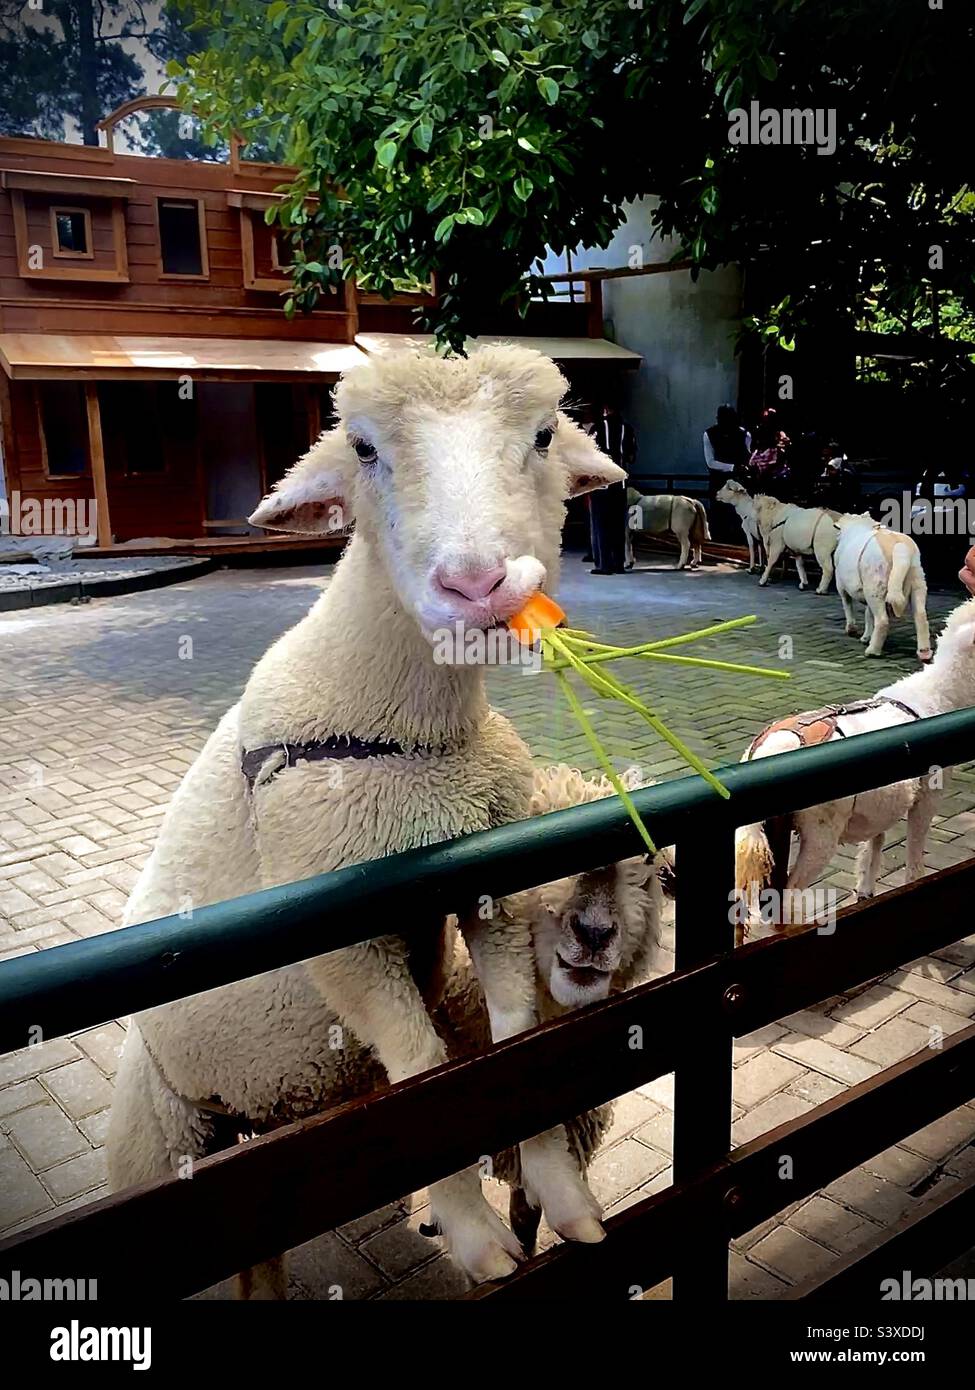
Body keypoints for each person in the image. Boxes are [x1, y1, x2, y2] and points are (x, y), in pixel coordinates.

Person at [588, 396, 634, 574]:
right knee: (617, 524)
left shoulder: (597, 428)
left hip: (601, 484)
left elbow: (588, 454)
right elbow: (632, 456)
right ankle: (618, 563)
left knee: (601, 524)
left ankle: (604, 564)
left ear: (605, 409)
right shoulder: (627, 429)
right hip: (620, 483)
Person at [703, 405, 751, 540]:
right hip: (719, 481)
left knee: (739, 516)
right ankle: (718, 542)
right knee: (719, 515)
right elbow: (710, 462)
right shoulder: (710, 434)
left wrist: (745, 468)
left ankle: (738, 542)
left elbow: (749, 456)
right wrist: (733, 467)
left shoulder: (744, 434)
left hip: (739, 481)